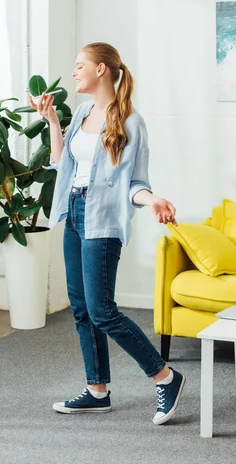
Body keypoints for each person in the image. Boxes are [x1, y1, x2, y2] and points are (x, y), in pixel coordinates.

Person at [29, 42, 185, 425]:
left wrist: (151, 201)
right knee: (81, 307)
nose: (73, 72)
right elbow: (62, 164)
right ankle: (98, 390)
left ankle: (165, 377)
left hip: (103, 221)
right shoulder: (83, 111)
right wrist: (51, 121)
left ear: (101, 70)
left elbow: (134, 182)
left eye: (79, 64)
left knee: (102, 310)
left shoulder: (131, 122)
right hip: (75, 213)